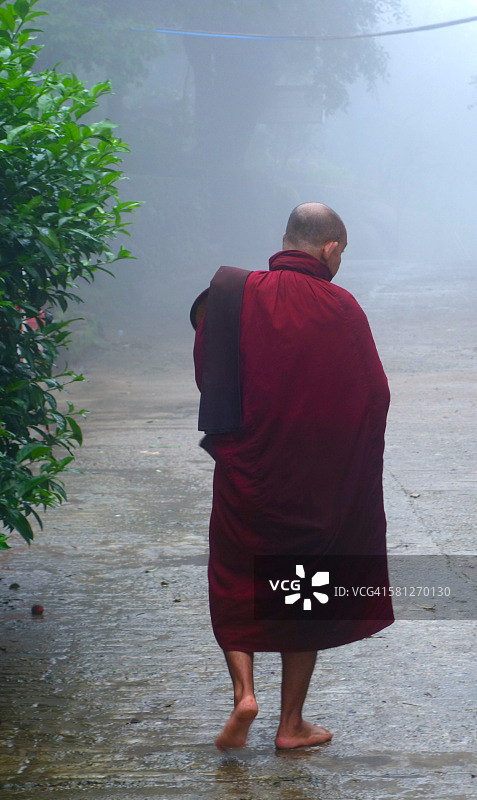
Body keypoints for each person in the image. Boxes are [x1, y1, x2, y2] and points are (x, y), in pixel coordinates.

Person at [191, 202, 394, 751]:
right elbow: (374, 394)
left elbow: (208, 369)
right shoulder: (341, 306)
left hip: (247, 472)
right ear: (330, 249)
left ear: (285, 239)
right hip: (313, 484)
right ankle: (291, 725)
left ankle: (243, 696)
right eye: (341, 254)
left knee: (235, 579)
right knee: (305, 591)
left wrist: (242, 441)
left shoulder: (231, 294)